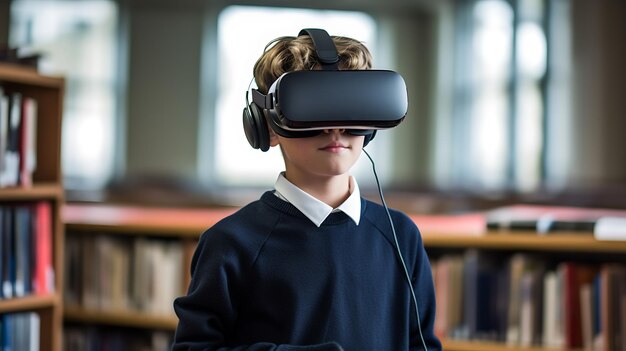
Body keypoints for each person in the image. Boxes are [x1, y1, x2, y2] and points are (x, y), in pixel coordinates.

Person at [172, 30, 442, 351]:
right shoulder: (230, 243)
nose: (334, 128)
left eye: (349, 108)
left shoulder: (401, 236)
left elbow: (422, 344)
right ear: (268, 127)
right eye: (312, 109)